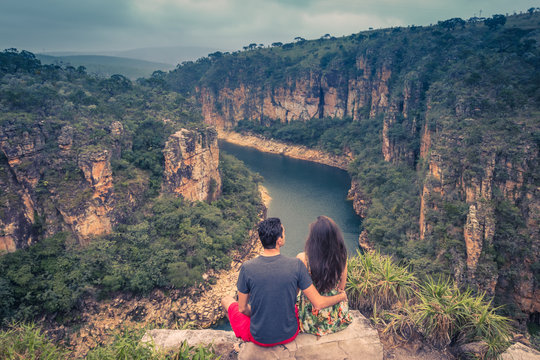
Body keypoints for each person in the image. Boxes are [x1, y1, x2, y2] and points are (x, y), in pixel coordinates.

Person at [221, 217, 347, 346]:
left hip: (259, 337)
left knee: (226, 300)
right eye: (284, 232)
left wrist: (258, 313)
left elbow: (242, 309)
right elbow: (311, 300)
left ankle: (240, 341)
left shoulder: (247, 268)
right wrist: (342, 296)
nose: (285, 234)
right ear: (279, 240)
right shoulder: (296, 265)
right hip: (289, 333)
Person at [296, 215, 352, 335]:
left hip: (311, 320)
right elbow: (341, 288)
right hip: (337, 317)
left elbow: (297, 289)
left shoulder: (303, 259)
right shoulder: (341, 256)